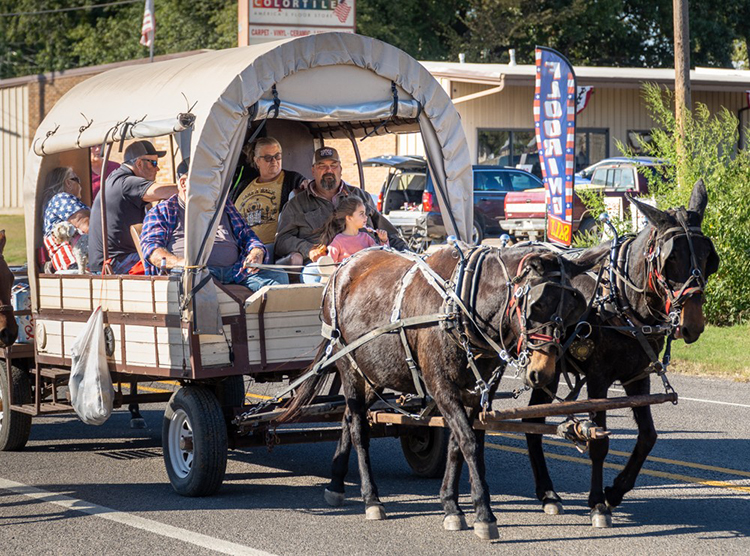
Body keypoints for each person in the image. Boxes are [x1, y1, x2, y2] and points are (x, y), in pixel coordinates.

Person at [140, 158, 288, 290]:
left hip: (236, 270)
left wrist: (257, 251)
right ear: (184, 183)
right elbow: (152, 249)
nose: (213, 185)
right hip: (195, 273)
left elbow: (247, 235)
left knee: (279, 275)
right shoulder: (163, 211)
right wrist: (182, 263)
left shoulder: (224, 207)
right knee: (193, 284)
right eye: (205, 179)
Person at [275, 146, 407, 265]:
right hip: (324, 268)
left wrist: (409, 254)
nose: (329, 170)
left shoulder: (360, 197)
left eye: (334, 165)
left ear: (340, 169)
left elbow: (388, 234)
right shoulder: (297, 204)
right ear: (313, 171)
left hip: (367, 266)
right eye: (322, 166)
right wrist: (307, 249)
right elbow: (281, 241)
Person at [88, 140, 177, 274]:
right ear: (139, 163)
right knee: (175, 264)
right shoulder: (126, 182)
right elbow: (162, 191)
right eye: (153, 163)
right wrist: (193, 188)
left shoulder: (117, 178)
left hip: (112, 259)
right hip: (116, 262)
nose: (157, 168)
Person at [231, 137, 307, 250]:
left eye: (277, 156)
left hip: (273, 247)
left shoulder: (292, 180)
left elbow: (309, 188)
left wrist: (308, 184)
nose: (274, 161)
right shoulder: (243, 186)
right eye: (268, 158)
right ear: (257, 161)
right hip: (240, 247)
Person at [301, 197, 389, 284]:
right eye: (361, 214)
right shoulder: (338, 241)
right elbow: (330, 267)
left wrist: (383, 240)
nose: (366, 217)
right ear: (349, 218)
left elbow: (383, 257)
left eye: (365, 213)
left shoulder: (366, 237)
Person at [41, 167, 90, 272]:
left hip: (74, 261)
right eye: (77, 180)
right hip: (73, 262)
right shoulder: (62, 198)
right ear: (68, 183)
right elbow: (88, 226)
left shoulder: (56, 201)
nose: (80, 185)